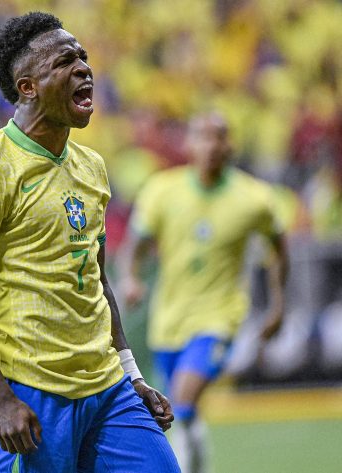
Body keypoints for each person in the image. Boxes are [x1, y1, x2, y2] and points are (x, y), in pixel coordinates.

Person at [0, 12, 180, 473]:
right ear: (27, 87)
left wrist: (132, 375)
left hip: (108, 388)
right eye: (65, 61)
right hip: (30, 388)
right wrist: (0, 400)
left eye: (84, 58)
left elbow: (96, 278)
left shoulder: (91, 167)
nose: (84, 68)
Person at [120, 111, 289, 473]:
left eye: (221, 137)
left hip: (219, 316)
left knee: (183, 398)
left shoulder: (254, 198)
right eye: (204, 136)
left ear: (231, 145)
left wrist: (278, 306)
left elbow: (279, 249)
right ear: (189, 143)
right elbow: (134, 245)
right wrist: (131, 278)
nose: (213, 145)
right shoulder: (162, 191)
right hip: (169, 320)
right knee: (180, 412)